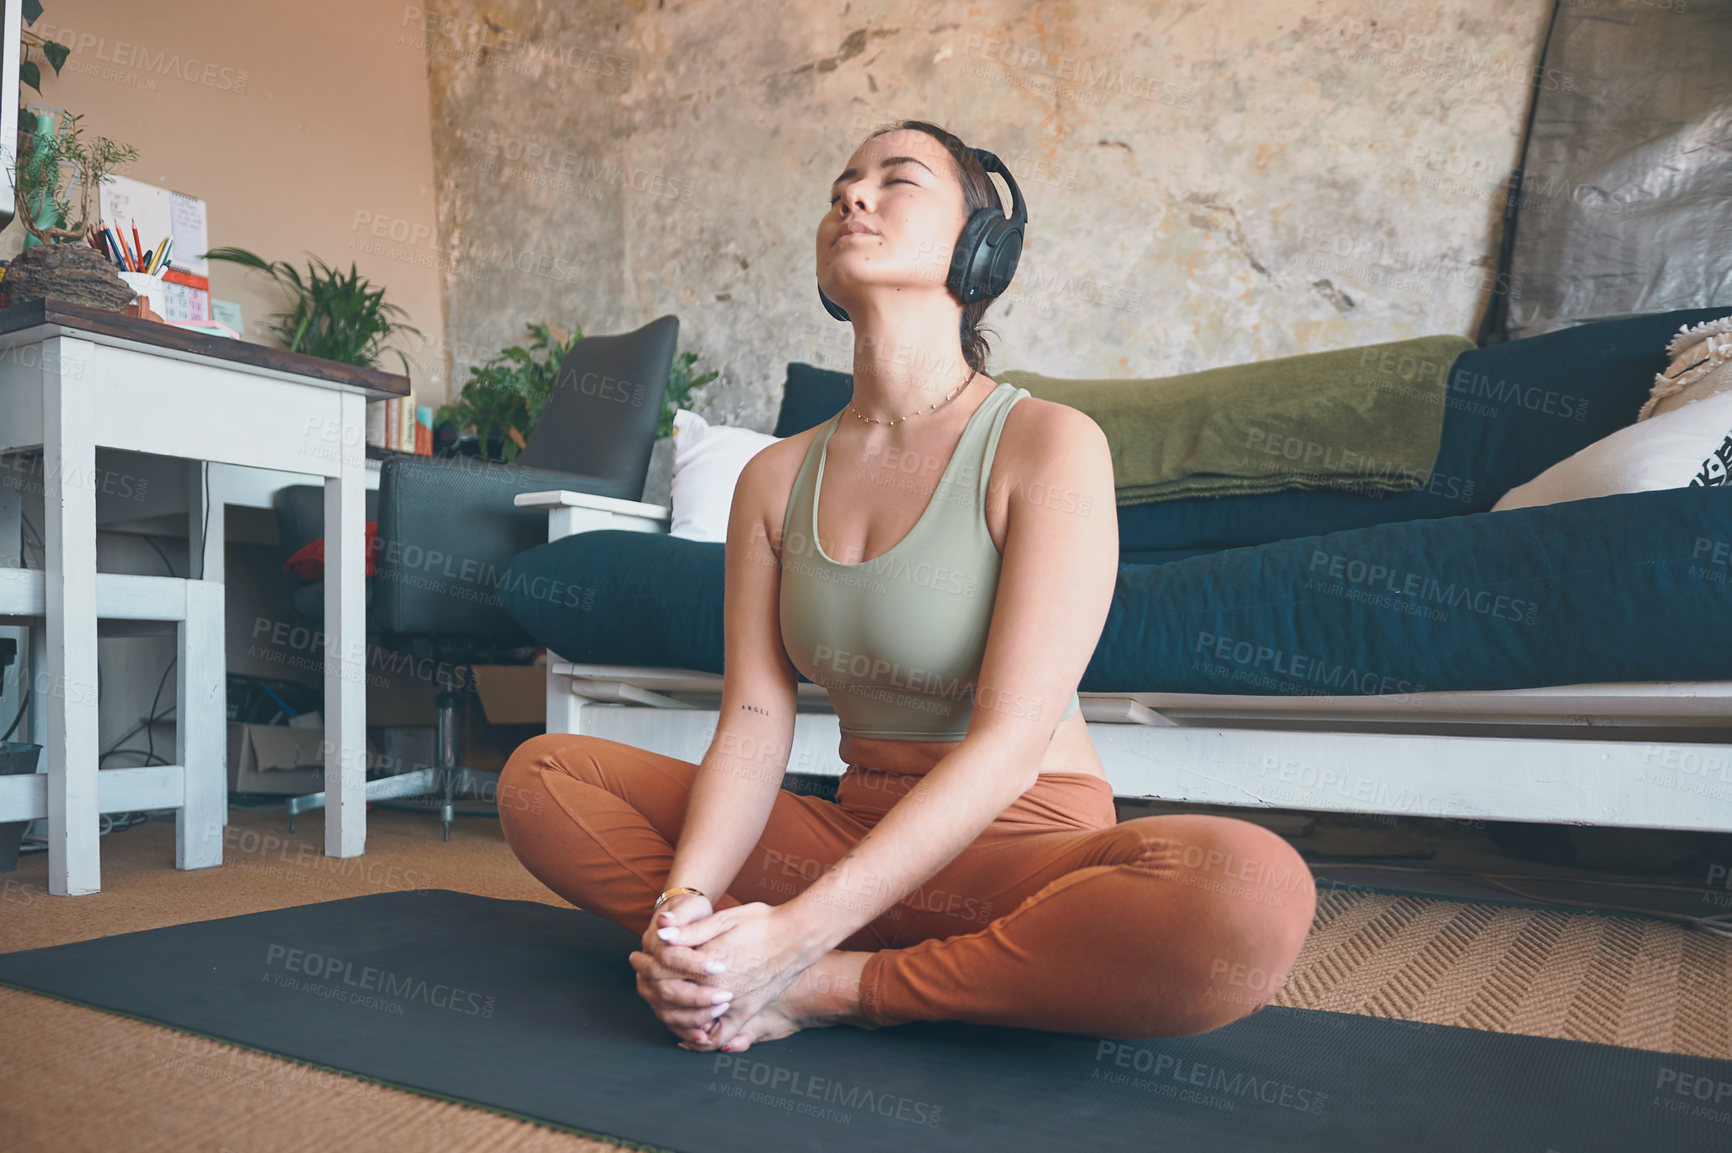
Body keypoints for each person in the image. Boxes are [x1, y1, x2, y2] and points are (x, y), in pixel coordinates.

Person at [497, 119, 1316, 1055]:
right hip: (846, 836)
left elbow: (1010, 745)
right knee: (544, 778)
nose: (853, 196)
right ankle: (748, 959)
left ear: (977, 245)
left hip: (1022, 848)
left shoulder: (1048, 444)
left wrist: (801, 941)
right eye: (843, 182)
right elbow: (756, 727)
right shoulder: (773, 479)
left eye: (898, 180)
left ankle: (837, 984)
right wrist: (682, 912)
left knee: (1251, 891)